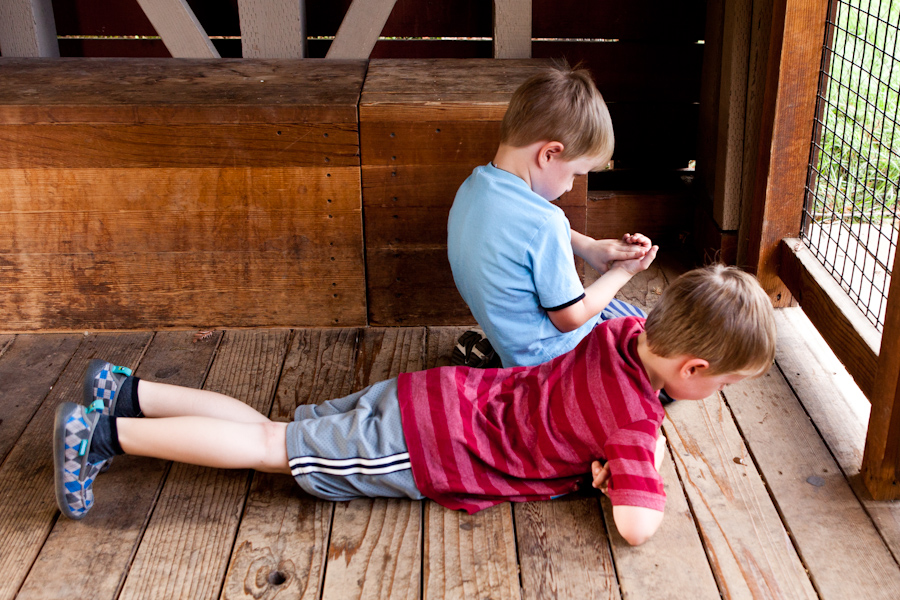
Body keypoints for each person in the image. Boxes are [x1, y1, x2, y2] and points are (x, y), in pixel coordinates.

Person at [53, 265, 776, 546]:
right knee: (274, 453)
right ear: (693, 367)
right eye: (723, 384)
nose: (718, 396)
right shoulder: (634, 421)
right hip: (434, 443)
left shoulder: (618, 328)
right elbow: (637, 526)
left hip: (431, 392)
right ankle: (104, 435)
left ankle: (130, 392)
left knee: (281, 429)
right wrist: (630, 467)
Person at [447, 62, 658, 369]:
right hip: (555, 360)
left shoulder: (474, 187)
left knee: (633, 318)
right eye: (576, 174)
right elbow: (570, 318)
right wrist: (622, 272)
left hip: (513, 344)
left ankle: (489, 357)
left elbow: (516, 235)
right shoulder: (546, 220)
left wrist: (587, 246)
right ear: (549, 154)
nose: (571, 187)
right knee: (663, 355)